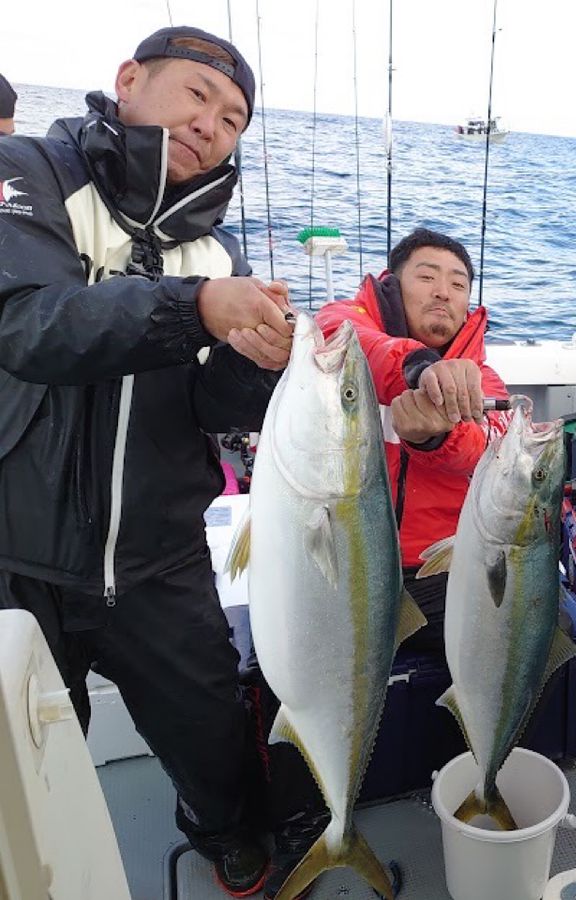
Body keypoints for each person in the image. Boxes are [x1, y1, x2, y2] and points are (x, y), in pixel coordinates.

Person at [0, 26, 293, 896]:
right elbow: (27, 323)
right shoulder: (31, 174)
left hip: (161, 558)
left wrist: (252, 364)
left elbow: (212, 410)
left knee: (214, 737)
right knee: (23, 757)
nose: (213, 125)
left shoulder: (220, 250)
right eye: (197, 96)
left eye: (234, 118)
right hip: (22, 551)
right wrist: (194, 306)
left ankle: (225, 828)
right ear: (128, 80)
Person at [243, 227, 510, 898]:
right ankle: (308, 828)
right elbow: (342, 333)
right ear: (392, 283)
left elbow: (493, 447)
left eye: (458, 282)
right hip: (342, 568)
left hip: (434, 569)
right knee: (280, 673)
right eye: (427, 275)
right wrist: (417, 367)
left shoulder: (484, 377)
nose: (444, 290)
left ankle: (467, 789)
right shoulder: (351, 333)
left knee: (494, 646)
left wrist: (440, 429)